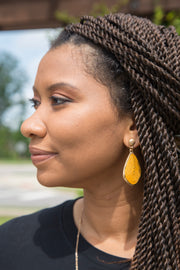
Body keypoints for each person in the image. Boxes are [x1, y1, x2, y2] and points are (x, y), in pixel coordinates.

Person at [0, 12, 179, 270]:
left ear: (134, 126)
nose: (28, 125)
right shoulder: (12, 248)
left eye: (59, 100)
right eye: (35, 103)